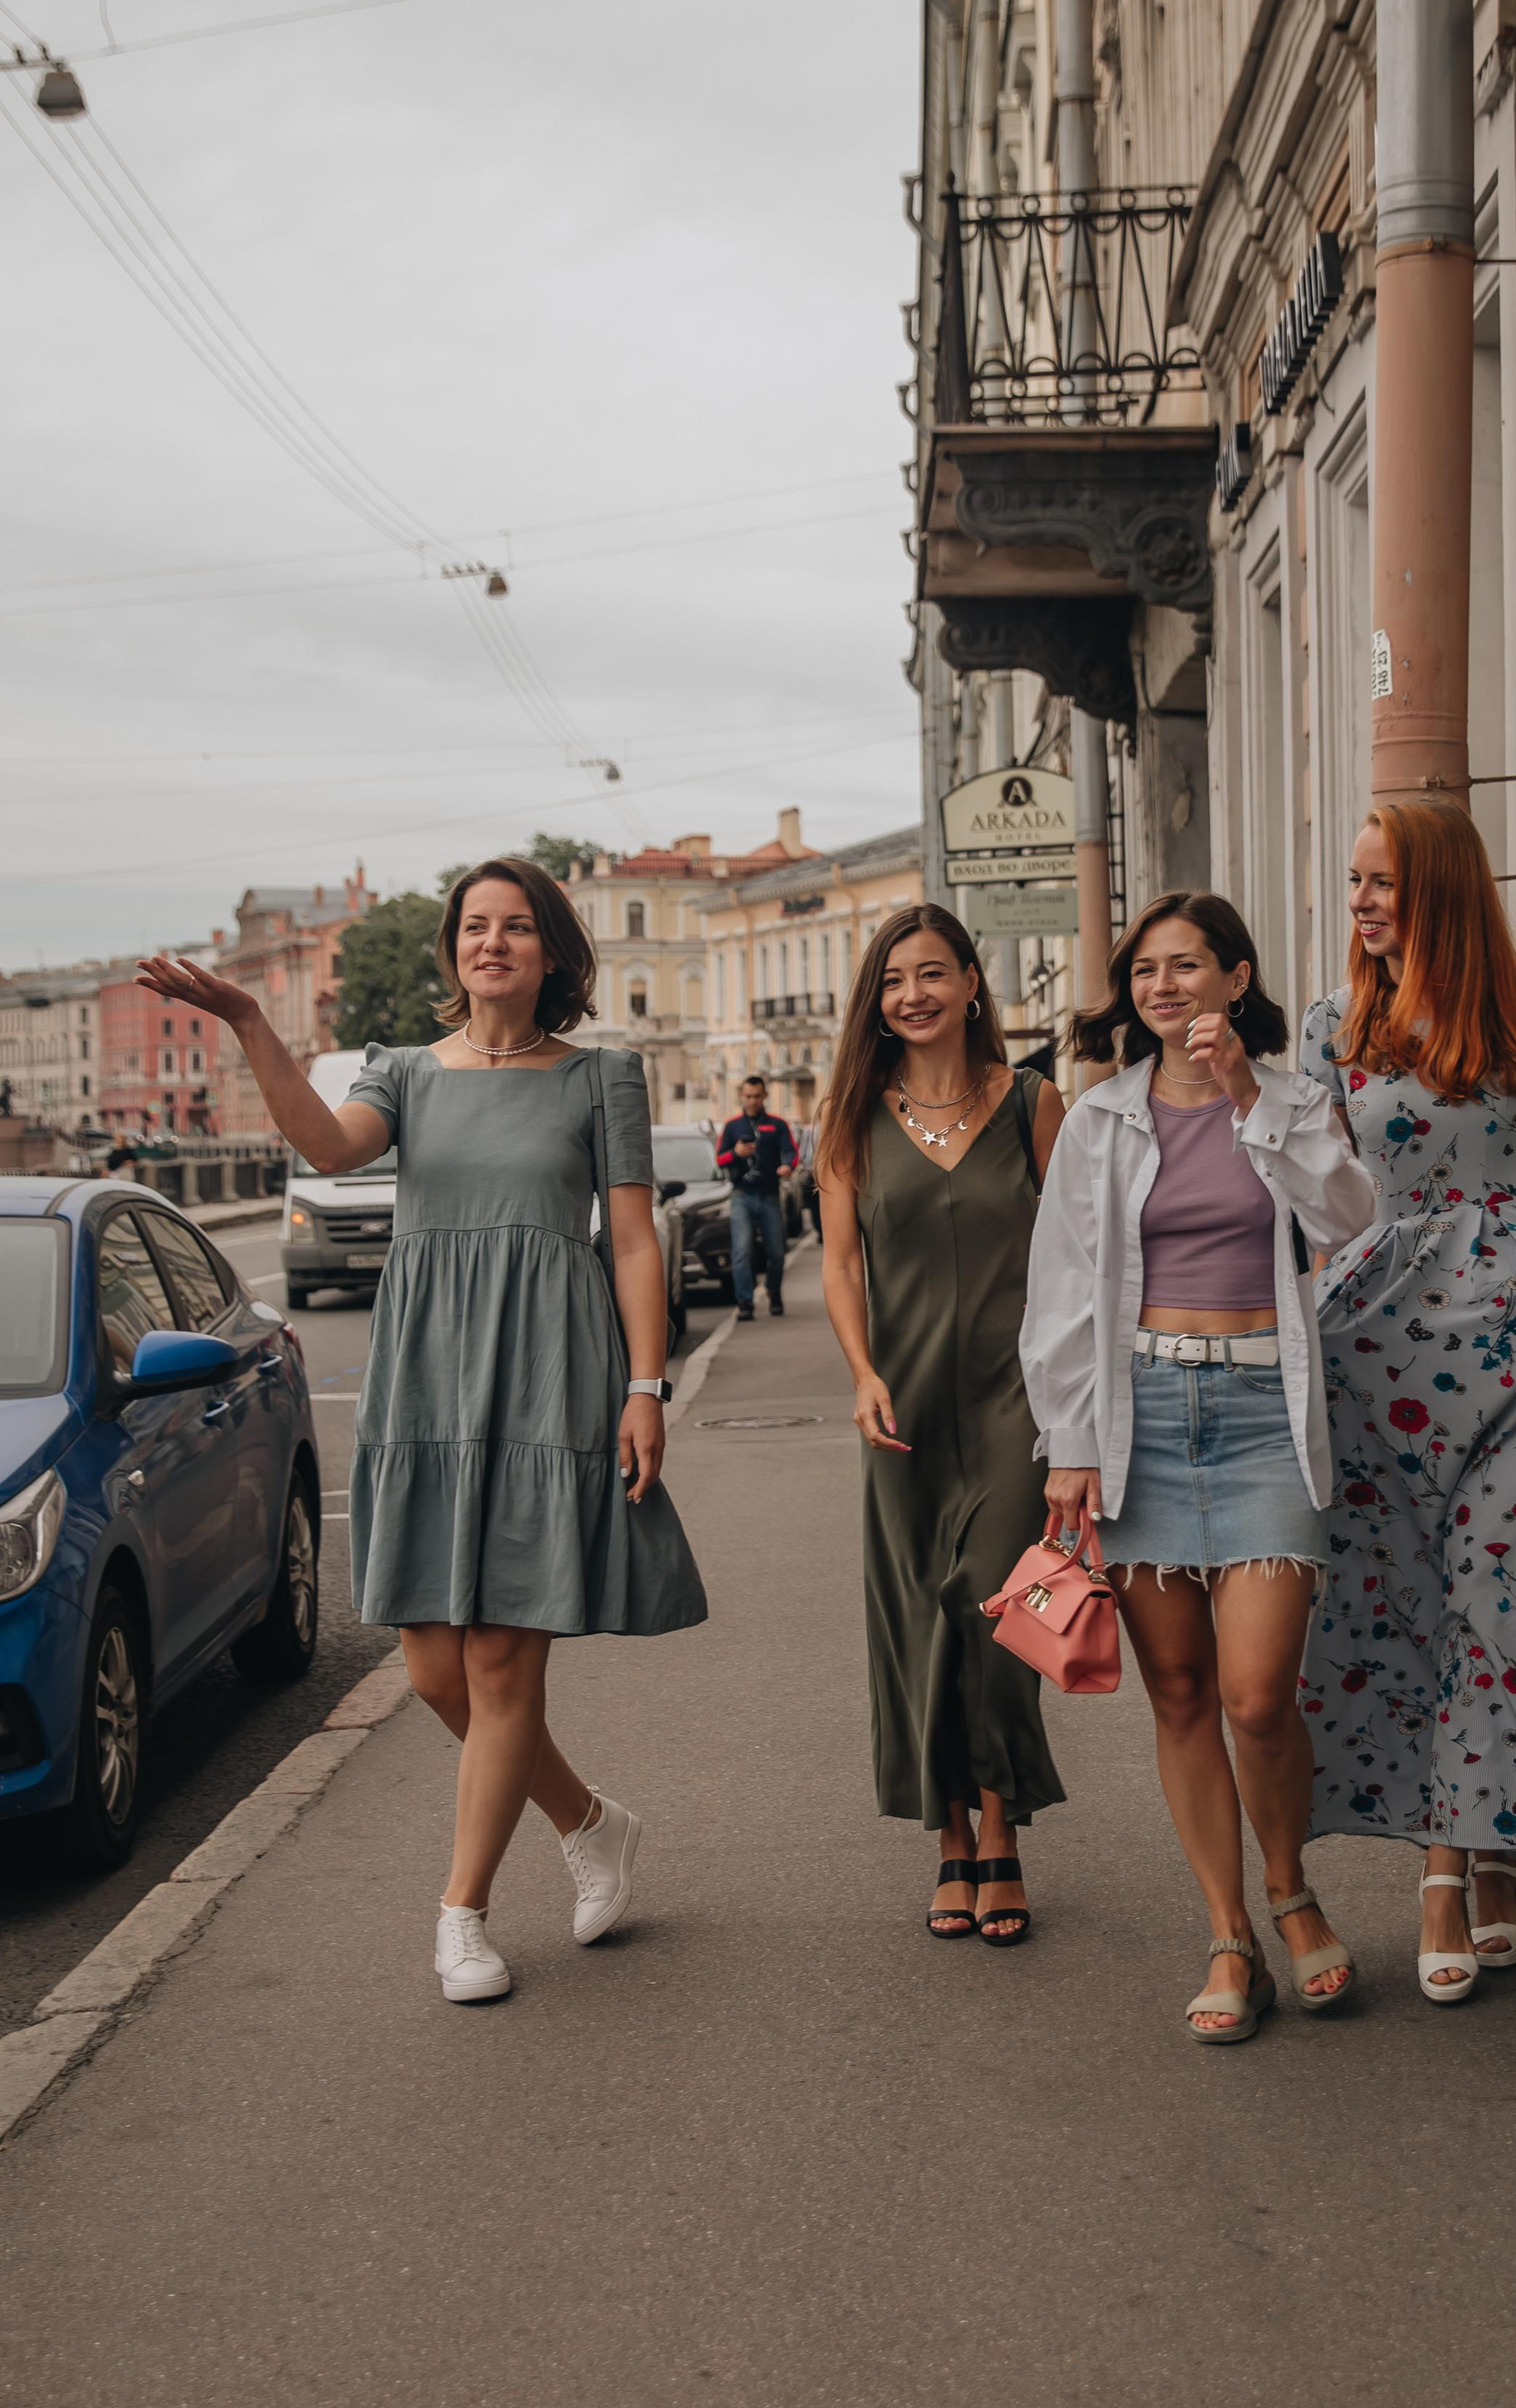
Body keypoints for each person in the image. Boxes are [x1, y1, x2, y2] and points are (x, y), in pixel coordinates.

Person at [137, 857, 706, 2006]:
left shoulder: (602, 1077)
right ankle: (590, 1822)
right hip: (430, 1372)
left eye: (514, 928)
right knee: (437, 1671)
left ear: (551, 951)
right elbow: (326, 1149)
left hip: (551, 1369)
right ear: (454, 952)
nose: (491, 943)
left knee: (501, 1658)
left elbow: (635, 1242)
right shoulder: (404, 1073)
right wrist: (252, 1021)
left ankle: (462, 1915)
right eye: (474, 928)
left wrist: (646, 1385)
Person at [1297, 796, 1516, 2006]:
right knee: (1413, 1598)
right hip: (1383, 1346)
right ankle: (1452, 1864)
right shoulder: (1335, 1023)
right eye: (1354, 883)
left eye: (1382, 882)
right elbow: (1308, 1193)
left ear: (1441, 885)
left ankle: (1483, 1859)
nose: (1361, 903)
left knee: (1509, 1595)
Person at [1023, 894, 1376, 2044]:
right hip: (1144, 1417)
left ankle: (1293, 1891)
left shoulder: (1293, 1101)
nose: (1164, 988)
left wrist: (1243, 1099)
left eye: (1187, 967)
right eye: (1146, 973)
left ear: (1236, 976)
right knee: (1178, 1694)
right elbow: (1065, 1292)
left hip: (1264, 1409)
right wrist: (1069, 1444)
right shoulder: (1099, 1122)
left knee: (1258, 1694)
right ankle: (1230, 1934)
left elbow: (1346, 1215)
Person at [816, 904, 1065, 1946]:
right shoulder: (853, 1115)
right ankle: (950, 1837)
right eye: (891, 981)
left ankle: (1003, 1827)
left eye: (930, 974)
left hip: (1018, 1393)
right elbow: (837, 1263)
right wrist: (862, 1372)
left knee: (999, 1604)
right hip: (904, 1396)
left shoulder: (1037, 1105)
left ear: (972, 983)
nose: (911, 995)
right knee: (920, 1611)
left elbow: (1078, 1255)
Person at [716, 1075, 797, 1318]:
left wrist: (787, 1167)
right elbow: (720, 1159)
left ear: (765, 1096)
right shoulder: (732, 1126)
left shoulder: (778, 1125)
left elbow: (791, 1151)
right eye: (748, 1096)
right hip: (742, 1196)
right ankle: (745, 1302)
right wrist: (736, 1153)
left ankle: (773, 1291)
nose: (752, 1101)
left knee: (776, 1252)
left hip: (770, 1195)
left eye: (757, 1096)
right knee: (742, 1251)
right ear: (742, 1096)